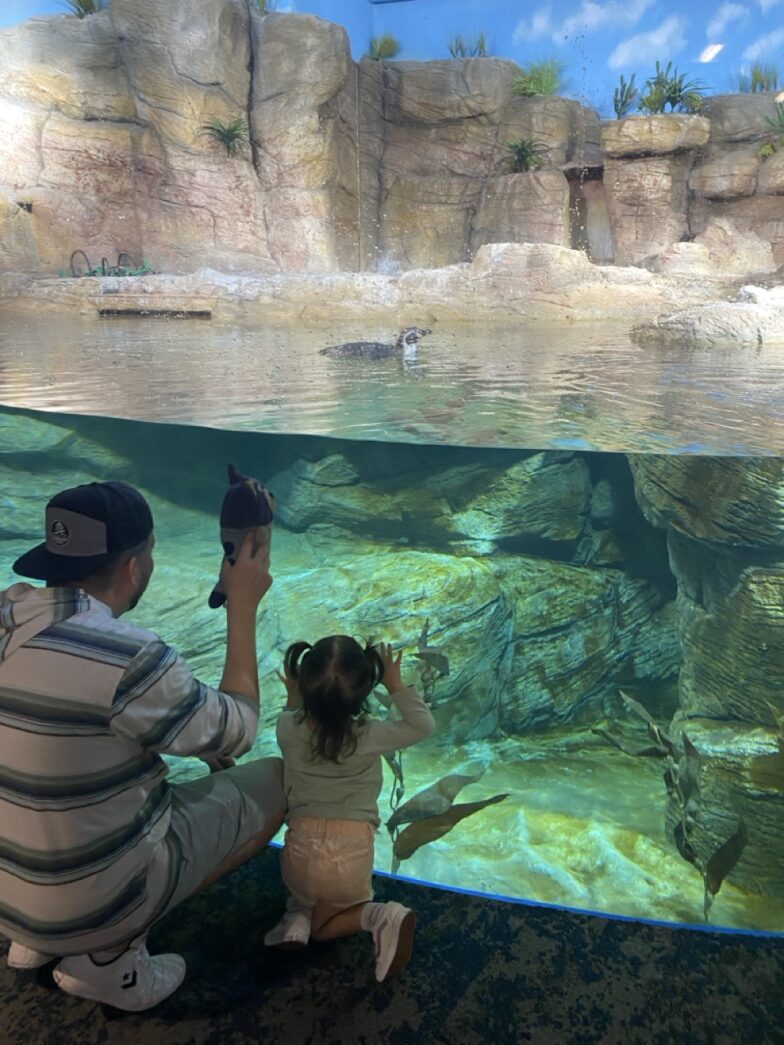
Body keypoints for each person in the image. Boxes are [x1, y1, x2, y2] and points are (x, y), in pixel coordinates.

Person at [0, 480, 285, 1012]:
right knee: (277, 782)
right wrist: (242, 606)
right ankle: (107, 959)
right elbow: (240, 729)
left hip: (7, 895)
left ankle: (33, 937)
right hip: (89, 907)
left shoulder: (6, 615)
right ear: (134, 567)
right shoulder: (129, 658)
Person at [265, 634, 435, 982]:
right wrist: (396, 684)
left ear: (302, 682)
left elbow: (293, 716)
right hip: (352, 847)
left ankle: (297, 919)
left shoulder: (286, 728)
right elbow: (423, 725)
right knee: (329, 923)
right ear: (365, 688)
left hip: (300, 842)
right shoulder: (370, 734)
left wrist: (294, 698)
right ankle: (379, 917)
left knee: (304, 892)